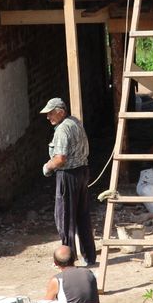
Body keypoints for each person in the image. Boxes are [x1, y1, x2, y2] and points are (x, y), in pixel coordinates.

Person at [40, 97, 97, 266]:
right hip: (82, 171)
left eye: (51, 113)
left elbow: (60, 159)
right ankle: (89, 257)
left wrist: (47, 167)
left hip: (68, 175)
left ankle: (67, 260)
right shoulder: (75, 122)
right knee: (82, 216)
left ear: (60, 112)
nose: (48, 117)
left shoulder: (62, 129)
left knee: (64, 219)